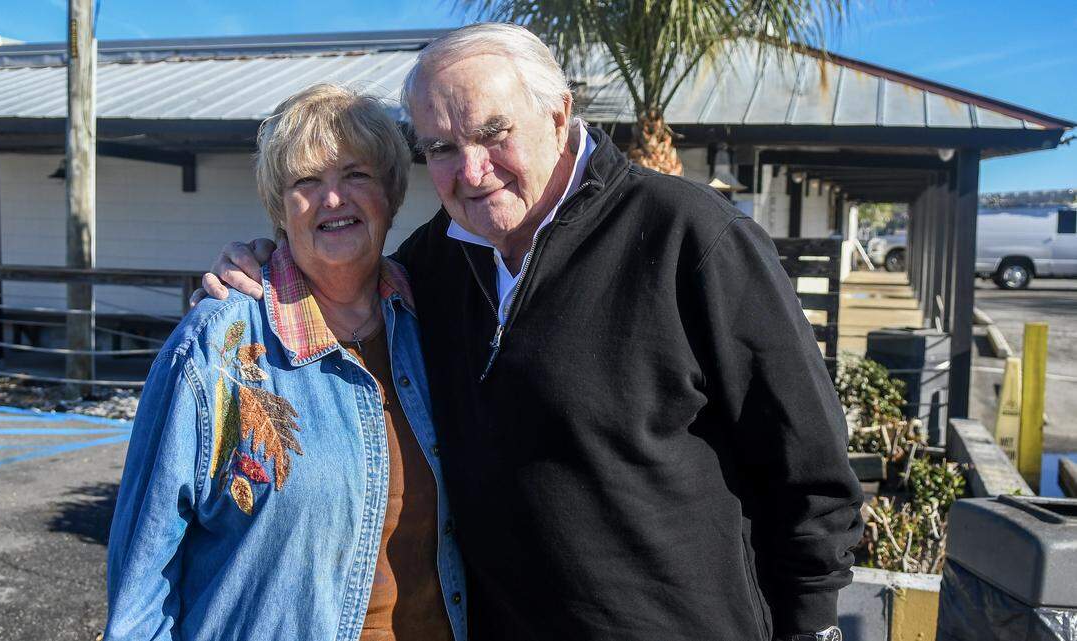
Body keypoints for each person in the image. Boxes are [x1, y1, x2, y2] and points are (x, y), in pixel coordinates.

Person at [199, 23, 863, 641]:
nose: (472, 170)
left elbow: (809, 466)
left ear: (558, 114)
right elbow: (339, 275)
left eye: (494, 133)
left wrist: (810, 626)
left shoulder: (688, 238)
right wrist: (265, 265)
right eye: (442, 148)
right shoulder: (433, 265)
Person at [105, 84, 466, 641]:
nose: (333, 199)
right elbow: (143, 574)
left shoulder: (434, 318)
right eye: (306, 182)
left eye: (356, 175)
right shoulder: (217, 347)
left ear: (391, 193)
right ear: (279, 207)